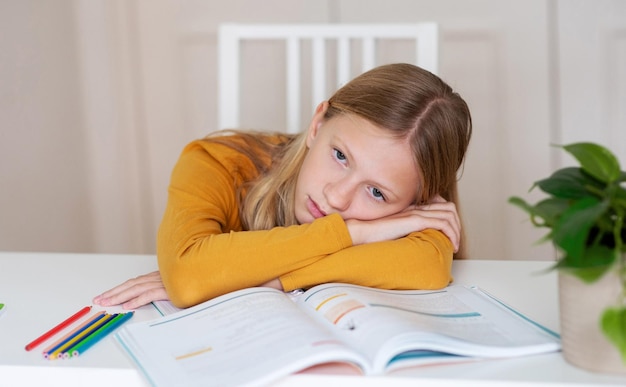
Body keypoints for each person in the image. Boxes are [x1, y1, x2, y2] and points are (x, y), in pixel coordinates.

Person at [93, 63, 473, 309]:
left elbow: (429, 265)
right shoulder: (216, 162)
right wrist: (352, 233)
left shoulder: (415, 219)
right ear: (318, 124)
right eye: (340, 155)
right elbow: (187, 278)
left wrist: (246, 279)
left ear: (415, 204)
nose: (337, 198)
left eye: (377, 193)